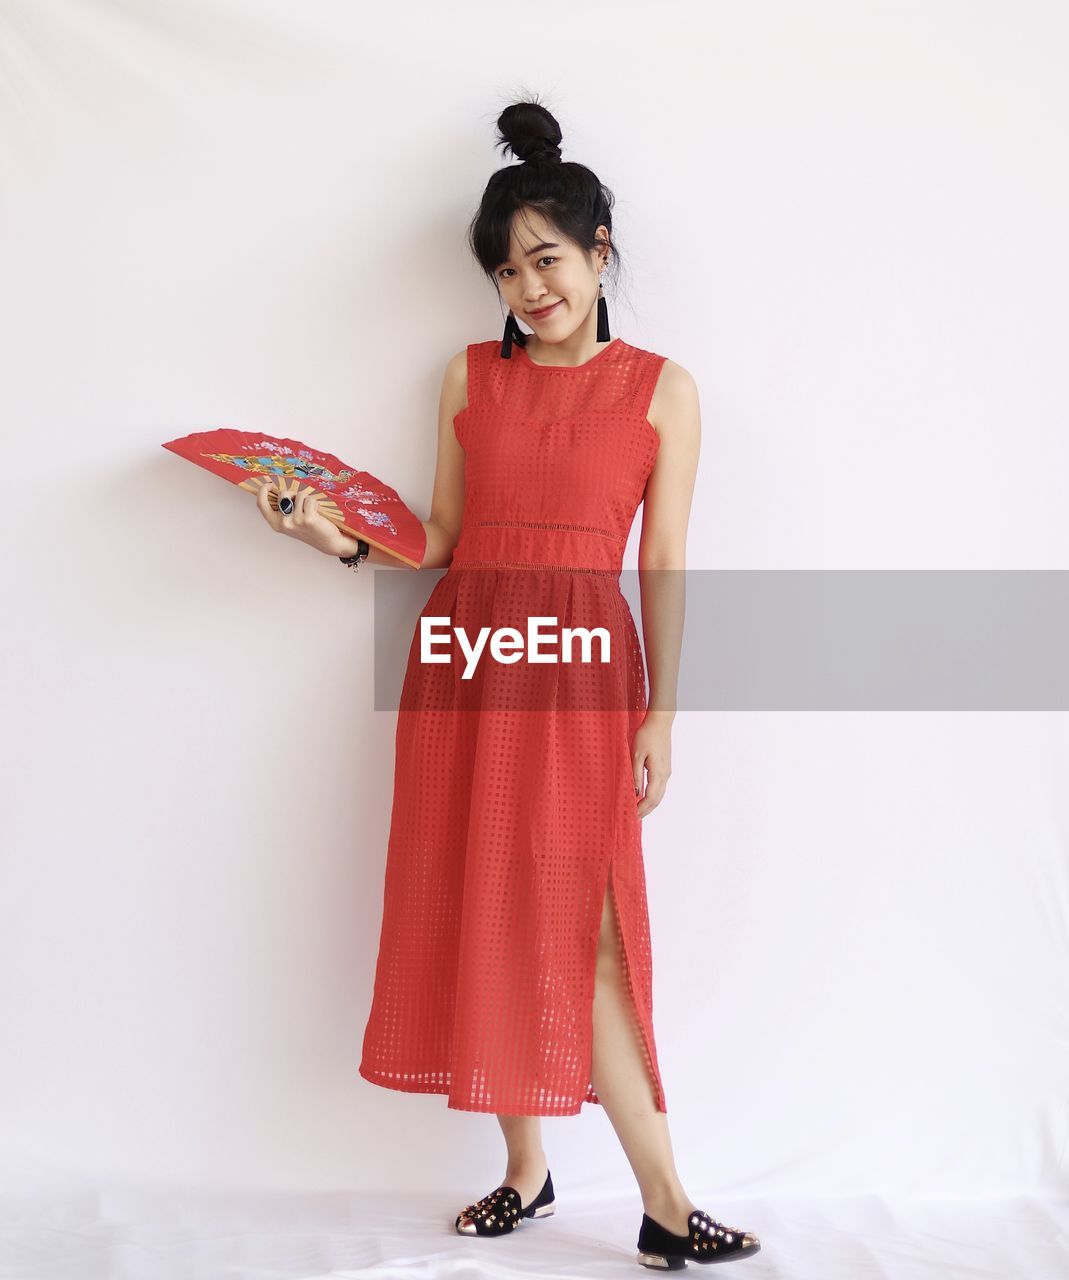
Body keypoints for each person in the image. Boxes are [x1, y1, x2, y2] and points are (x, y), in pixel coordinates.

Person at [254, 98, 760, 1270]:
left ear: (598, 255)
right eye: (506, 268)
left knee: (584, 933)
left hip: (584, 675)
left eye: (546, 258)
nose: (528, 287)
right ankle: (526, 1172)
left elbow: (665, 560)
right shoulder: (467, 376)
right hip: (467, 660)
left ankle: (663, 1196)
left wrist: (662, 712)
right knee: (484, 900)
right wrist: (323, 534)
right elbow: (437, 535)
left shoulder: (661, 389)